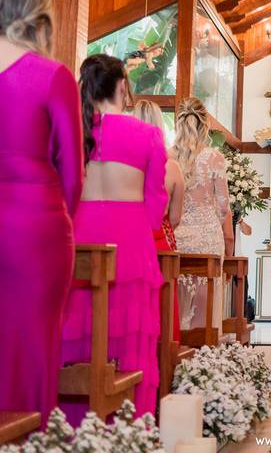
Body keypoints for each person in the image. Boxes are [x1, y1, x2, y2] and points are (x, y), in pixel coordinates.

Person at [61, 54, 167, 422]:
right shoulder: (147, 135)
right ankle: (128, 426)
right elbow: (155, 209)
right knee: (129, 343)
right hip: (131, 245)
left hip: (80, 241)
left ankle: (73, 426)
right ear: (123, 86)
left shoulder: (72, 131)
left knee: (78, 336)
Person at [0, 0, 83, 422]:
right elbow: (73, 173)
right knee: (34, 346)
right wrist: (60, 220)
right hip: (36, 228)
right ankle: (29, 440)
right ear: (38, 16)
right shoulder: (52, 76)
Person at [171, 97, 229, 333]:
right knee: (205, 302)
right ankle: (204, 347)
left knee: (176, 299)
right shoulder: (214, 157)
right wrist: (208, 219)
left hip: (177, 238)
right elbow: (223, 206)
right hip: (207, 238)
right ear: (205, 124)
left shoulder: (167, 156)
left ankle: (177, 344)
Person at [132, 99, 184, 341]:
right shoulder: (171, 167)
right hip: (159, 240)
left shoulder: (126, 163)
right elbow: (175, 217)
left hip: (130, 238)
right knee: (163, 304)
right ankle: (165, 353)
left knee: (133, 303)